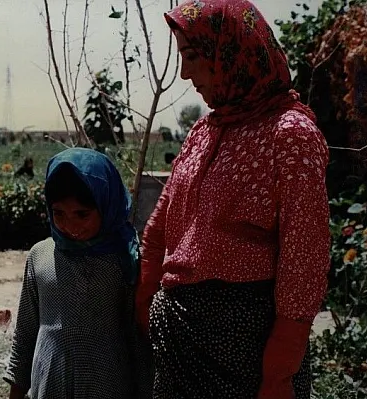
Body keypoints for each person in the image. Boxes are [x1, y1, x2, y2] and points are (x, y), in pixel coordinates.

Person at [136, 1, 330, 398]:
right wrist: (146, 298)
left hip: (247, 353)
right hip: (181, 346)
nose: (185, 74)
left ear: (231, 53)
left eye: (192, 57)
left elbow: (304, 260)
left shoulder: (290, 135)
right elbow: (161, 223)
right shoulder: (204, 132)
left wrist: (279, 371)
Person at [5, 148, 147, 399]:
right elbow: (26, 334)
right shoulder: (41, 256)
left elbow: (137, 339)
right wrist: (16, 391)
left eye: (82, 214)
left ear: (106, 204)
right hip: (49, 382)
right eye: (59, 214)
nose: (70, 226)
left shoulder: (126, 259)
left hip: (108, 384)